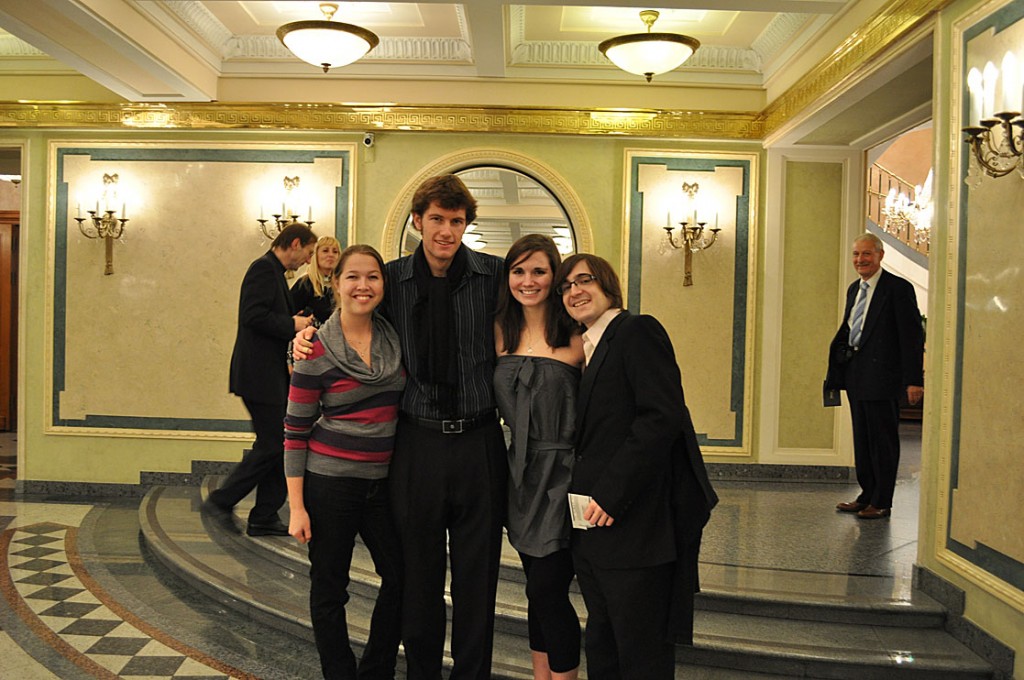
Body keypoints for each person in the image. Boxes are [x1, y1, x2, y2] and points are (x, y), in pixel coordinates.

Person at [295, 174, 505, 680]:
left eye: (456, 221)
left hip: (479, 441)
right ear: (418, 221)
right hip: (416, 444)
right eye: (436, 219)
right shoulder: (391, 279)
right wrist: (300, 342)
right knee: (419, 577)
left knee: (479, 578)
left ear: (466, 225)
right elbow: (347, 317)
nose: (446, 231)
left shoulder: (494, 277)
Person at [552, 253, 718, 680]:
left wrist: (612, 493)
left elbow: (661, 417)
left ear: (609, 285)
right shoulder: (589, 347)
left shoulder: (636, 330)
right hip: (595, 531)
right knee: (604, 643)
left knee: (641, 652)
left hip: (636, 526)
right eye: (566, 286)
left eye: (584, 280)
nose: (575, 291)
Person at [284, 244, 406, 680]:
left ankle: (376, 671)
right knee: (330, 588)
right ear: (336, 284)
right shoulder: (314, 348)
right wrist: (296, 506)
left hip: (382, 484)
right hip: (330, 483)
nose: (363, 285)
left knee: (401, 578)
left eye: (372, 276)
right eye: (353, 276)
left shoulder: (395, 338)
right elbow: (295, 431)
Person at [493, 235, 583, 680]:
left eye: (539, 271)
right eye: (519, 271)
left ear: (555, 276)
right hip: (520, 476)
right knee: (536, 589)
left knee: (549, 588)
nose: (528, 281)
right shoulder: (497, 332)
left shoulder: (578, 336)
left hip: (566, 477)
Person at [204, 222, 317, 536]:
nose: (307, 260)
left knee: (278, 444)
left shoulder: (275, 274)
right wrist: (292, 324)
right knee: (274, 444)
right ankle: (223, 500)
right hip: (258, 375)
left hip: (266, 376)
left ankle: (264, 515)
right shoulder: (264, 269)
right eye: (307, 253)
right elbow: (252, 316)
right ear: (295, 243)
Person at [825, 232, 924, 520]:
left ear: (880, 255)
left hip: (884, 377)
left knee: (883, 442)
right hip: (857, 375)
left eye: (866, 254)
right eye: (856, 254)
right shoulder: (854, 289)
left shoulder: (898, 288)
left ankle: (882, 501)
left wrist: (914, 379)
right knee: (863, 439)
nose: (860, 260)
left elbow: (911, 336)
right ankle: (866, 494)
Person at [291, 236, 342, 326]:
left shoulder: (343, 283)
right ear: (315, 255)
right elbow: (287, 313)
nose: (331, 255)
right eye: (325, 251)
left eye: (335, 252)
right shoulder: (305, 283)